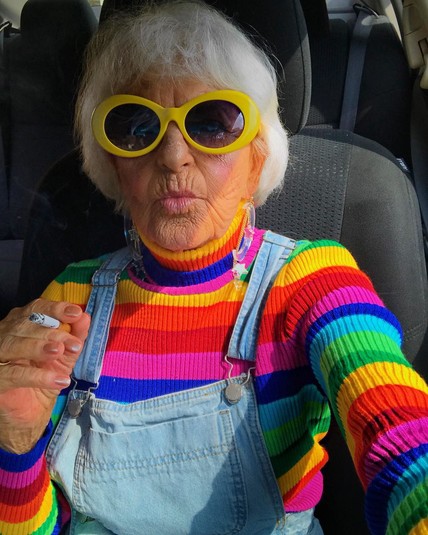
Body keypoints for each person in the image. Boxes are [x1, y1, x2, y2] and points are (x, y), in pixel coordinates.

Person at [0, 1, 427, 534]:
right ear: (113, 163)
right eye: (136, 126)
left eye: (213, 122)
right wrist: (14, 444)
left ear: (257, 156)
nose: (173, 155)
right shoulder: (70, 297)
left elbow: (396, 427)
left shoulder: (311, 281)